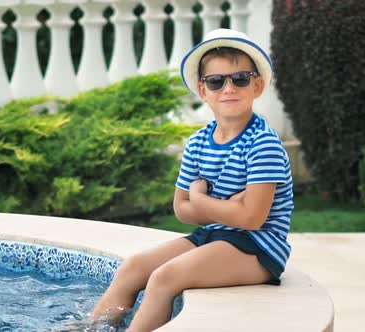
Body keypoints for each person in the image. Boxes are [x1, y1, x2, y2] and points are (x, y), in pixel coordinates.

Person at [89, 28, 294, 331]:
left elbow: (251, 218)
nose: (228, 88)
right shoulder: (198, 142)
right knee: (133, 267)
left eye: (240, 79)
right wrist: (227, 208)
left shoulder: (263, 143)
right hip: (212, 235)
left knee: (164, 278)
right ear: (202, 91)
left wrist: (202, 200)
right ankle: (89, 328)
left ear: (257, 85)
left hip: (259, 248)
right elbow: (180, 210)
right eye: (216, 81)